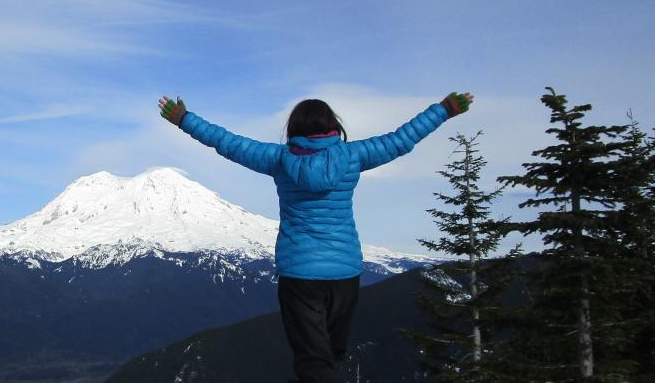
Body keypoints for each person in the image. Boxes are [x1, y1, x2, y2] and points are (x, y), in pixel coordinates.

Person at [157, 92, 473, 383]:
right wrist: (443, 110)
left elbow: (227, 142)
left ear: (294, 127)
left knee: (312, 359)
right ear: (334, 126)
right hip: (344, 272)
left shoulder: (278, 158)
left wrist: (184, 119)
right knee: (331, 353)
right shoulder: (354, 155)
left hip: (299, 274)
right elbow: (402, 139)